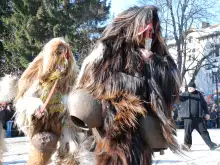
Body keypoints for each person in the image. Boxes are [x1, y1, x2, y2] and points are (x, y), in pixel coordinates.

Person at [68, 6, 181, 165]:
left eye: (152, 30)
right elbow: (98, 82)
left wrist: (152, 63)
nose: (149, 35)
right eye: (146, 28)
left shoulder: (158, 53)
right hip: (110, 127)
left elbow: (173, 85)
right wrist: (135, 83)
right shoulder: (108, 49)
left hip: (141, 129)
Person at [179, 82, 220, 150]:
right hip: (188, 118)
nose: (189, 88)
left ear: (194, 88)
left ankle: (211, 146)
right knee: (187, 133)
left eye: (191, 87)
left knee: (204, 132)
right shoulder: (184, 95)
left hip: (199, 118)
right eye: (189, 87)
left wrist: (207, 113)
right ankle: (187, 146)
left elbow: (204, 104)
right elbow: (176, 98)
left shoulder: (199, 94)